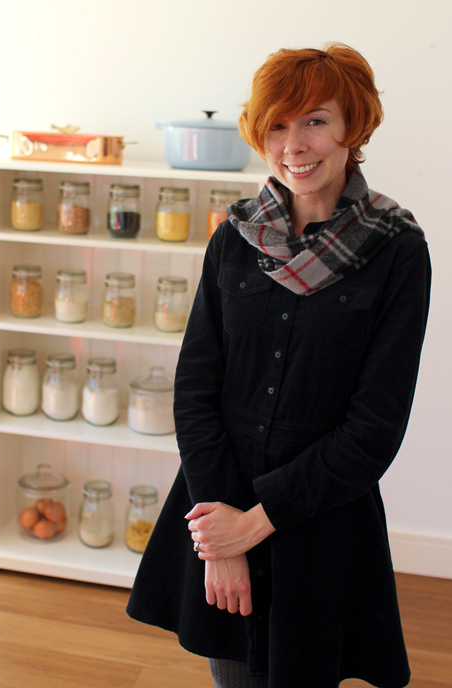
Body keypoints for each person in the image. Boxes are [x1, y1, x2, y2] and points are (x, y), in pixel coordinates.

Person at [127, 44, 431, 688]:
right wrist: (220, 534)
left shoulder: (399, 251)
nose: (294, 144)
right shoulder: (233, 238)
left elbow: (375, 427)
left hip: (321, 521)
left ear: (354, 126)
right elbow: (194, 390)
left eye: (316, 120)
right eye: (277, 125)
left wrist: (252, 526)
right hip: (219, 499)